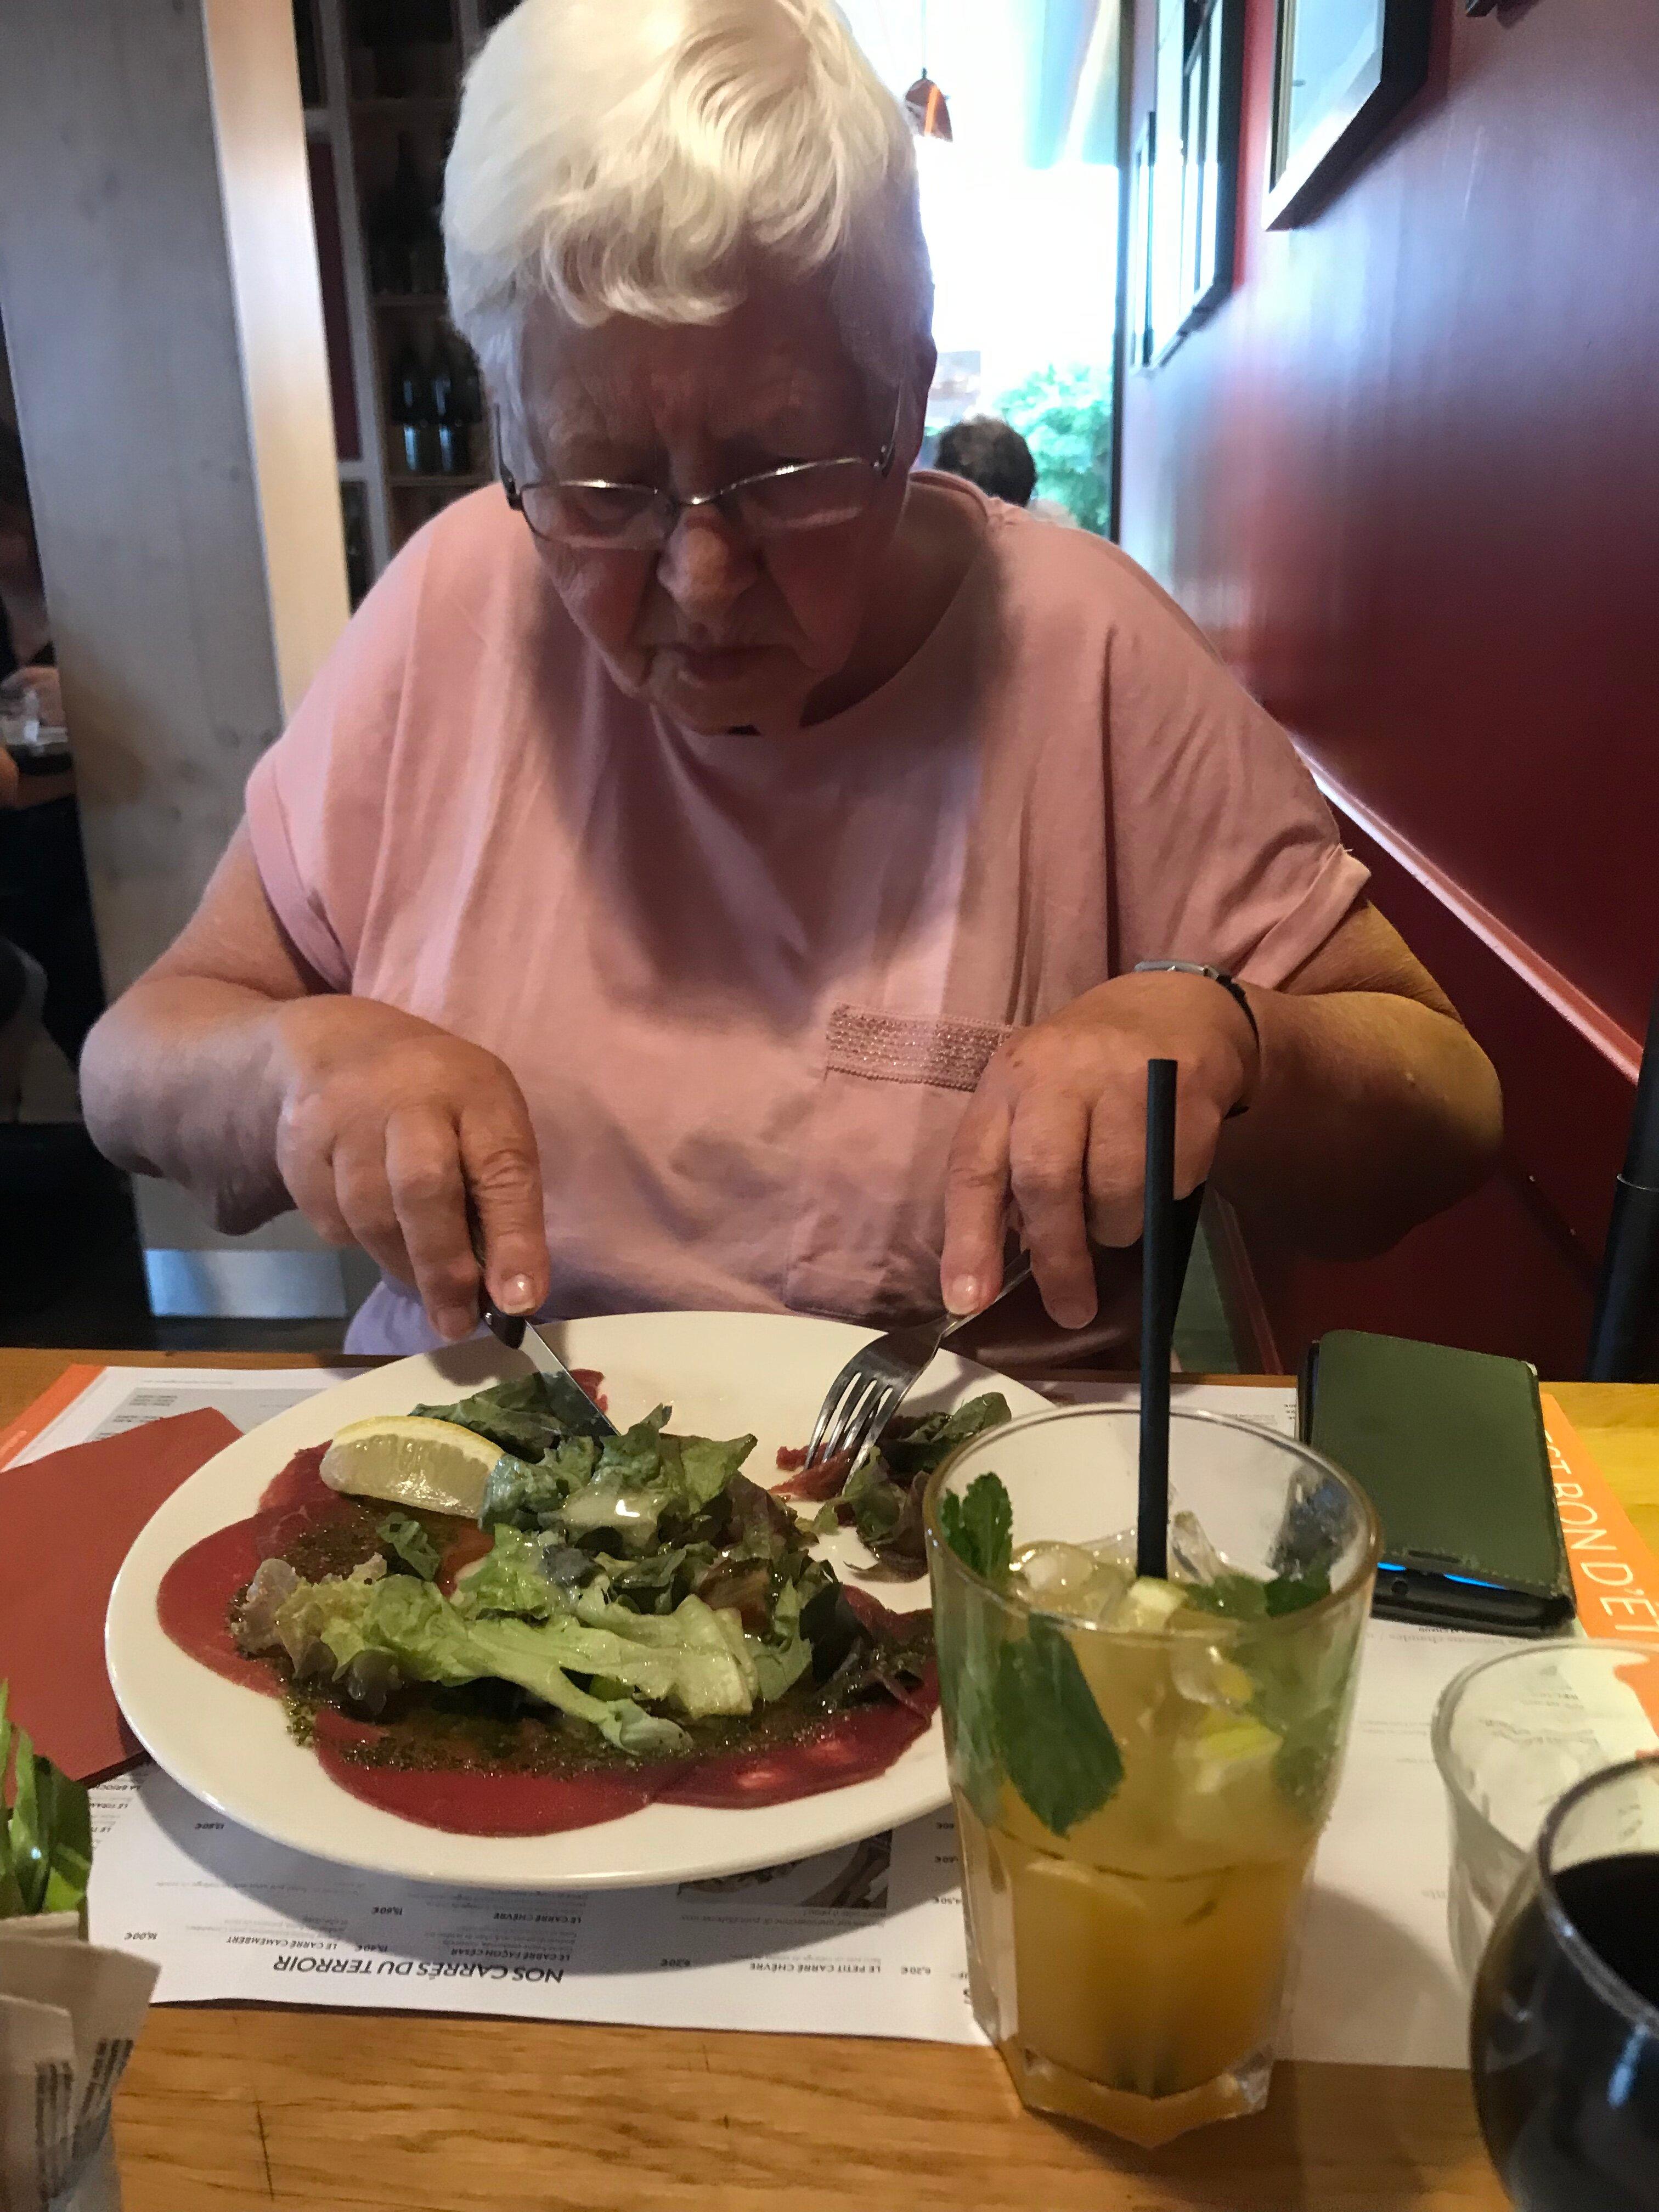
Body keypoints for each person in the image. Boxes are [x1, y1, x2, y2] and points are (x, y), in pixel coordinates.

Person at [81, 0, 1501, 1367]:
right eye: (603, 483)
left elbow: (1447, 1108)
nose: (701, 575)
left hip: (949, 1532)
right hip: (468, 1503)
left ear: (907, 404)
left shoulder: (1093, 650)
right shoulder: (450, 603)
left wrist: (1228, 1042)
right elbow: (134, 1061)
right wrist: (289, 1069)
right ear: (508, 431)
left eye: (789, 474)